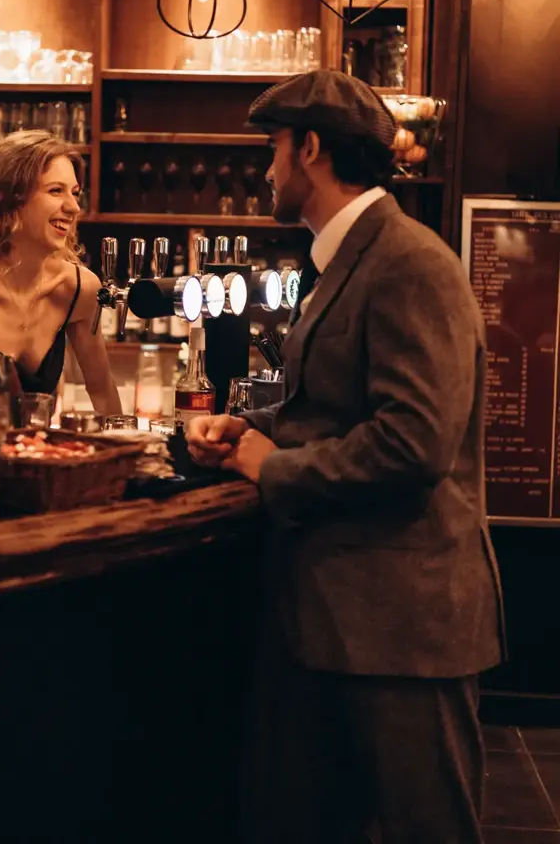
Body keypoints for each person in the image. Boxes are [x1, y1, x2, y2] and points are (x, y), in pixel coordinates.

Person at [186, 71, 505, 844]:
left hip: (404, 630)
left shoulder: (409, 263)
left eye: (274, 150)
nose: (267, 170)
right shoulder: (350, 259)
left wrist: (273, 467)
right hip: (340, 620)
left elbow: (414, 442)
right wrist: (250, 427)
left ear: (312, 149)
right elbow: (340, 403)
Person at [0, 130, 122, 416]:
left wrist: (127, 454)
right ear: (8, 198)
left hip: (40, 456)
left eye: (75, 193)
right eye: (55, 191)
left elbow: (102, 390)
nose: (73, 207)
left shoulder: (78, 288)